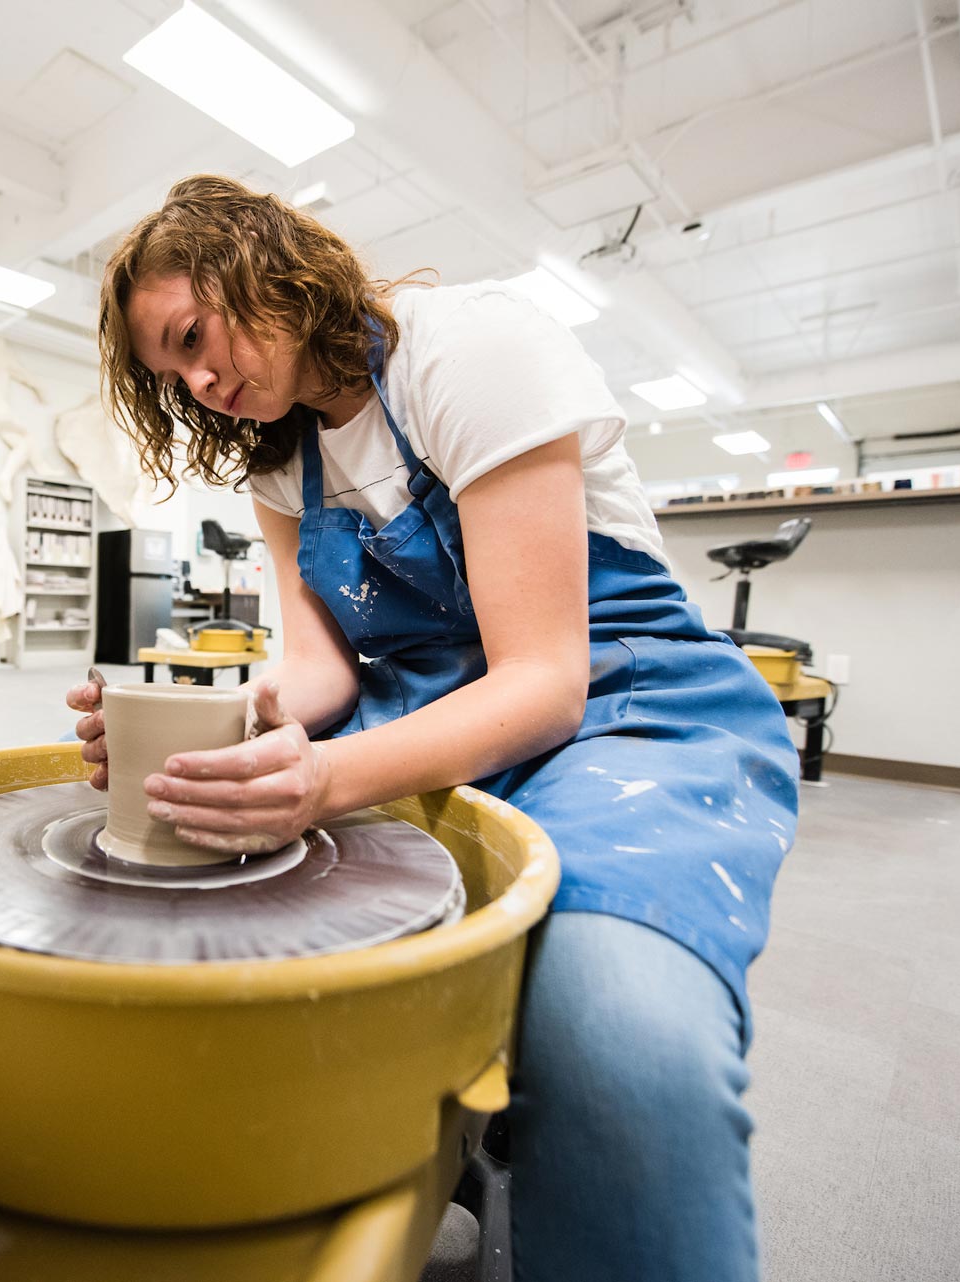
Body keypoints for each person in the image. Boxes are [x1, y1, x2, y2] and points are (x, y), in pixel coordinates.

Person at [68, 175, 798, 1282]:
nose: (202, 383)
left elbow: (543, 681)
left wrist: (319, 784)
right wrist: (199, 725)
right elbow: (314, 674)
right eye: (173, 373)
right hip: (422, 711)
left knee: (623, 1039)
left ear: (258, 258)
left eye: (196, 337)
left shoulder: (467, 352)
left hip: (616, 709)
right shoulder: (277, 459)